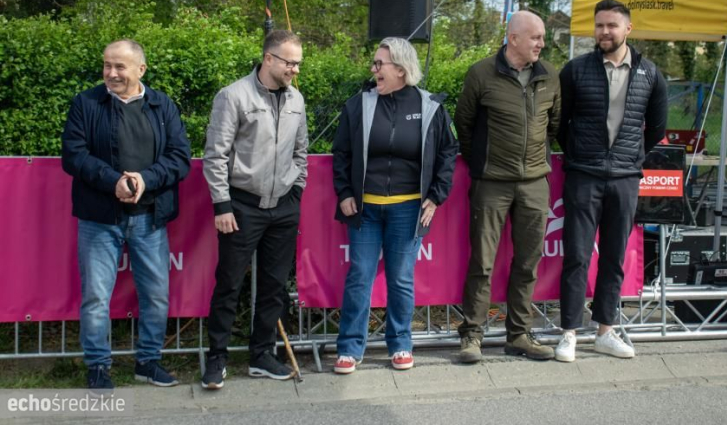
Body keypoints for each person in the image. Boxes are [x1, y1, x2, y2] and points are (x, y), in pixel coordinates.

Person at [62, 39, 191, 389]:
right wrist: (114, 181)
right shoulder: (85, 103)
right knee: (95, 297)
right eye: (107, 65)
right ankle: (98, 367)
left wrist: (144, 180)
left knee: (156, 295)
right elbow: (73, 155)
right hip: (99, 218)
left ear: (141, 70)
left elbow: (180, 158)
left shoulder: (162, 105)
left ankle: (148, 362)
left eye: (120, 66)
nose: (112, 73)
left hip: (150, 219)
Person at [331, 37, 458, 374]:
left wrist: (437, 194)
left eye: (379, 64)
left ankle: (400, 343)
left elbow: (448, 152)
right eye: (374, 64)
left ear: (401, 70)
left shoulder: (431, 106)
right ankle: (349, 348)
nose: (373, 70)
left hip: (408, 210)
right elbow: (341, 153)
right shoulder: (358, 104)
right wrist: (344, 193)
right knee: (360, 276)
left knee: (400, 279)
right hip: (365, 211)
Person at [555, 0, 667, 362]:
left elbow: (657, 127)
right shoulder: (574, 70)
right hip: (583, 176)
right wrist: (579, 155)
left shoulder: (651, 74)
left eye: (611, 25)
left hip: (624, 178)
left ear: (627, 29)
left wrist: (630, 157)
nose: (604, 32)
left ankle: (605, 330)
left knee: (615, 258)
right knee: (577, 255)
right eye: (599, 25)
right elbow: (560, 122)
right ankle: (568, 333)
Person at [201, 30, 308, 390]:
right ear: (268, 59)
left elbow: (301, 151)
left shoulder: (297, 99)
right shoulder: (233, 96)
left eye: (298, 63)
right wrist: (222, 204)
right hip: (241, 208)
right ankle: (217, 358)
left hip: (283, 208)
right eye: (289, 62)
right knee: (229, 284)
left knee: (274, 287)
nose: (294, 69)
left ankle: (262, 355)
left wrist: (296, 192)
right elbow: (215, 155)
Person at [455, 11, 562, 363]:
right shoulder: (481, 73)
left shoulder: (550, 77)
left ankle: (519, 335)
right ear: (513, 38)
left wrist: (531, 166)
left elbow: (554, 126)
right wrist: (484, 166)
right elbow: (464, 126)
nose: (541, 44)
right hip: (491, 184)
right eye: (535, 37)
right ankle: (472, 336)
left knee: (528, 263)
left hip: (534, 184)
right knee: (482, 263)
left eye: (542, 38)